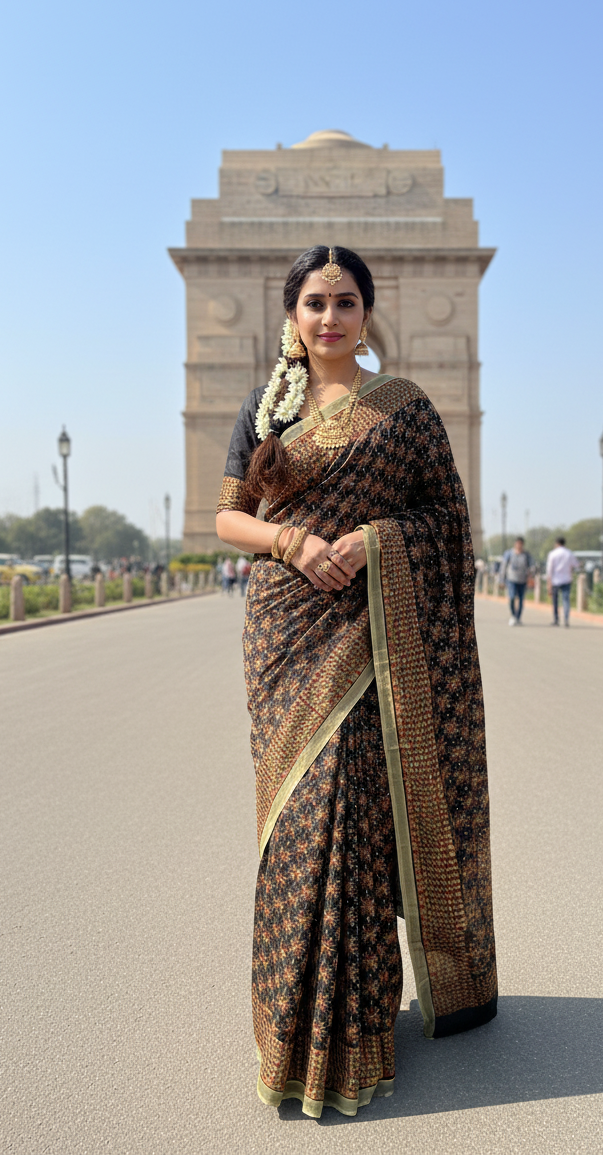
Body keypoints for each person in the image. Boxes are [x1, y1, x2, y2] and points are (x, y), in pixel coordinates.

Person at [215, 245, 497, 1119]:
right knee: (298, 816)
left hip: (371, 629)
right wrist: (291, 543)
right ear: (291, 317)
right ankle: (291, 1027)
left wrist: (373, 543)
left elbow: (446, 521)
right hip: (287, 630)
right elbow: (227, 517)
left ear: (366, 314)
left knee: (350, 807)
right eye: (313, 302)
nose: (329, 316)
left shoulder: (406, 410)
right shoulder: (265, 414)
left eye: (344, 301)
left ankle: (358, 1023)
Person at [546, 536, 579, 627]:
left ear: (556, 543)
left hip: (555, 580)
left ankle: (556, 619)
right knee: (566, 600)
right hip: (566, 579)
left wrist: (548, 581)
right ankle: (566, 619)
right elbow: (576, 564)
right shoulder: (569, 553)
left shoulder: (552, 554)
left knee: (555, 601)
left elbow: (549, 569)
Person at [502, 536, 533, 625]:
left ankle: (518, 617)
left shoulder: (526, 555)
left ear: (523, 545)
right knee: (511, 597)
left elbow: (531, 567)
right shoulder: (509, 553)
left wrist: (531, 577)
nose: (519, 545)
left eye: (521, 544)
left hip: (522, 580)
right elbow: (503, 567)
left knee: (520, 599)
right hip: (511, 579)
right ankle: (513, 615)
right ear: (515, 544)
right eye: (518, 543)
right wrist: (501, 579)